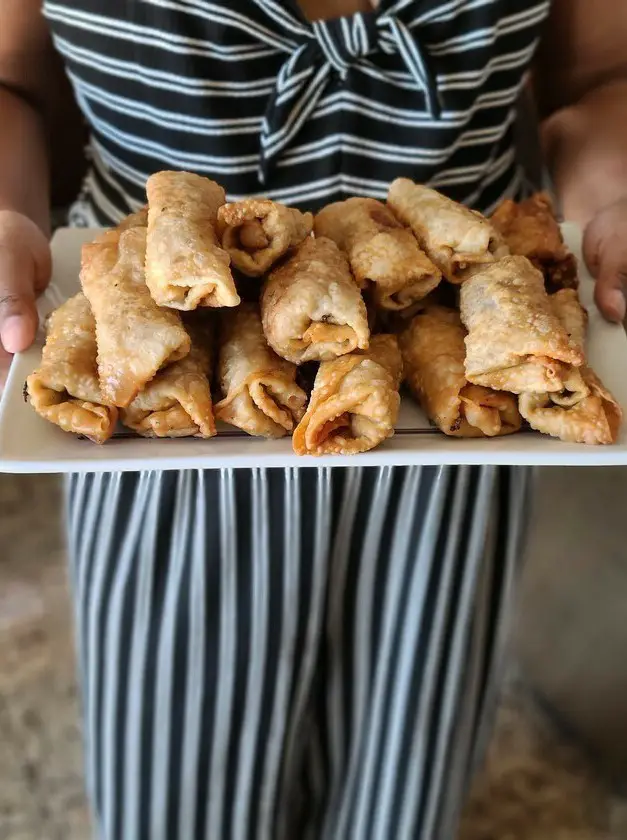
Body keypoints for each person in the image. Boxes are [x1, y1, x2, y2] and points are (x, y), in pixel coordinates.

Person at [1, 1, 626, 838]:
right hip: (161, 412)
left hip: (458, 401)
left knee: (403, 774)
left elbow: (594, 80)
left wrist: (615, 203)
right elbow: (12, 82)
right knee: (177, 788)